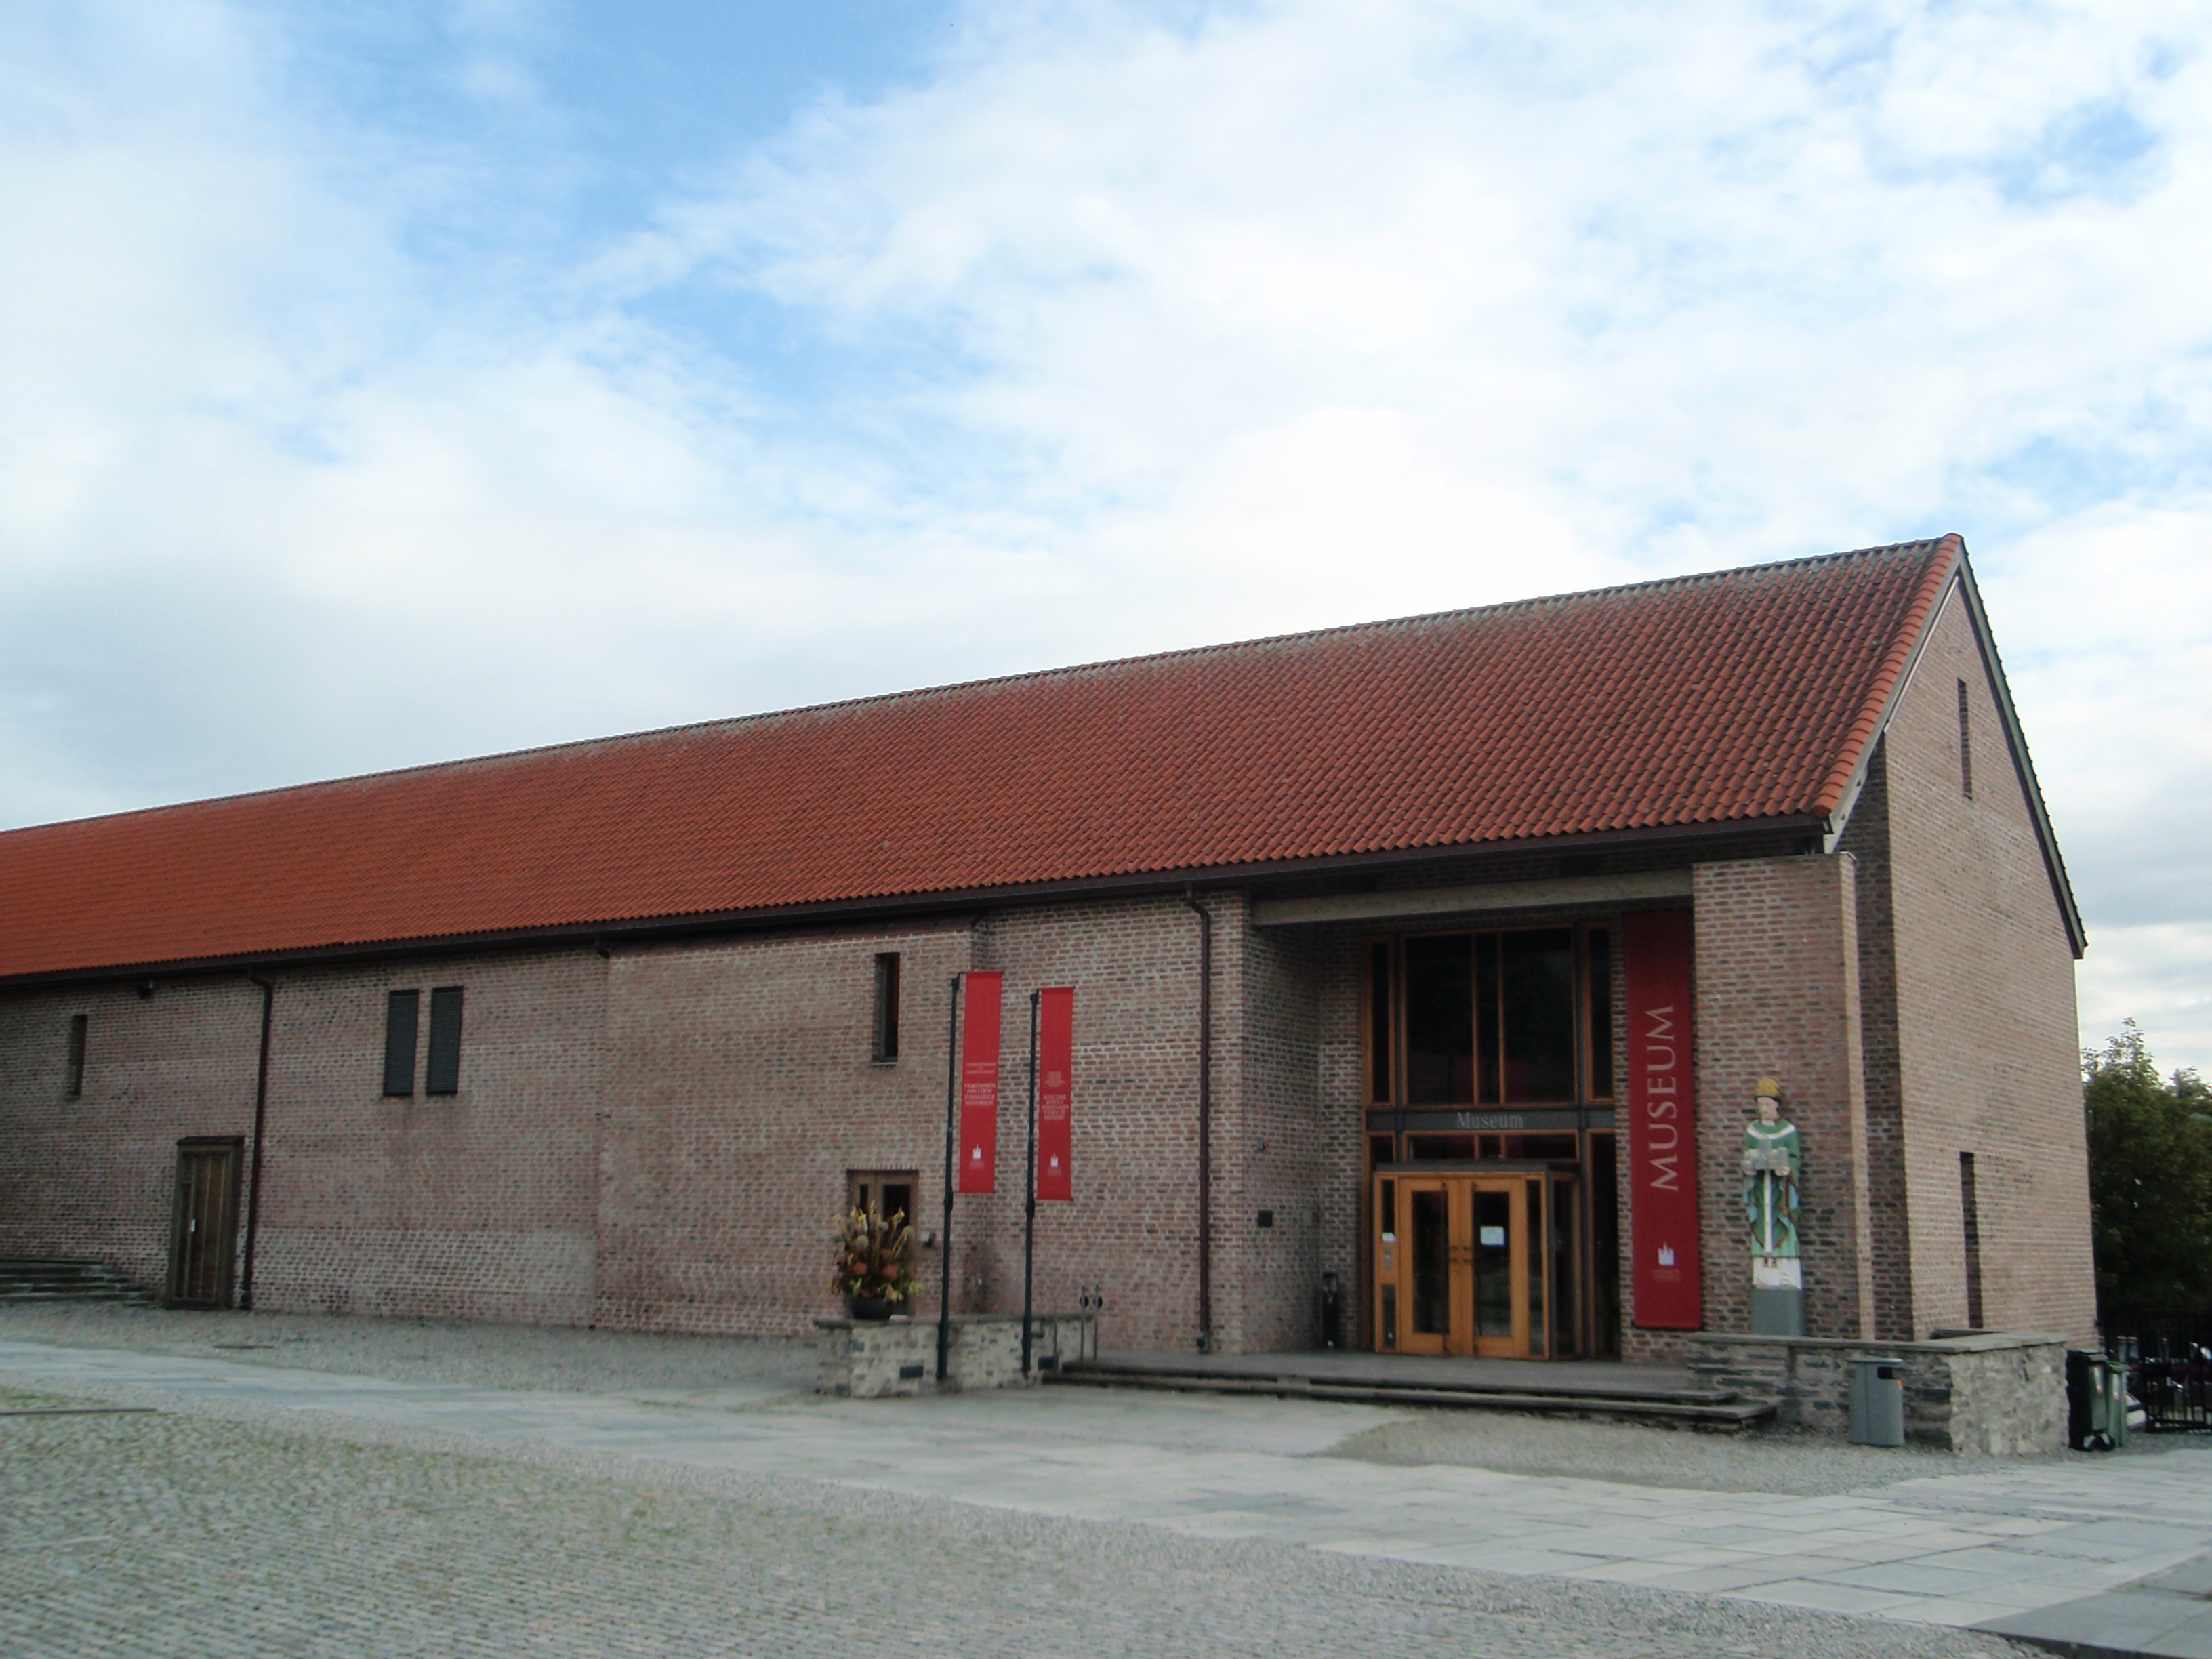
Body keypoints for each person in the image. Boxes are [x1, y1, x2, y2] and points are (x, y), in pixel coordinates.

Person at [1740, 1078, 1801, 1260]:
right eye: (1760, 1104)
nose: (1764, 1109)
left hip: (1779, 1189)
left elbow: (1795, 1158)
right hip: (1760, 1187)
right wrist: (1748, 1170)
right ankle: (1761, 1257)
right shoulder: (1753, 1130)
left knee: (1782, 1217)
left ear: (1776, 1104)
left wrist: (1788, 1170)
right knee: (1761, 1220)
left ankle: (1785, 1257)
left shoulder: (1787, 1130)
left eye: (1767, 1104)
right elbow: (1748, 1154)